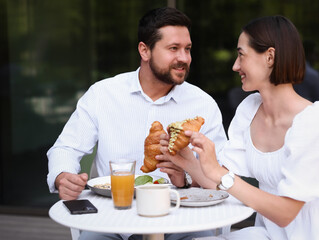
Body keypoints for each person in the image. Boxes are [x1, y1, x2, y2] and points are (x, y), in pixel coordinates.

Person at [158, 16, 319, 239]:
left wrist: (219, 172)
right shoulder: (250, 109)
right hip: (270, 232)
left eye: (241, 54)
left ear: (270, 57)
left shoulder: (317, 121)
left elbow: (286, 213)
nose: (235, 65)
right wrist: (189, 162)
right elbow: (226, 187)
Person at [47, 7, 227, 240]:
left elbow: (222, 175)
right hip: (112, 220)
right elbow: (65, 148)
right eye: (173, 49)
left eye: (187, 49)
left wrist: (186, 180)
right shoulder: (103, 94)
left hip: (182, 220)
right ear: (145, 50)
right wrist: (64, 176)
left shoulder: (203, 105)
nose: (184, 58)